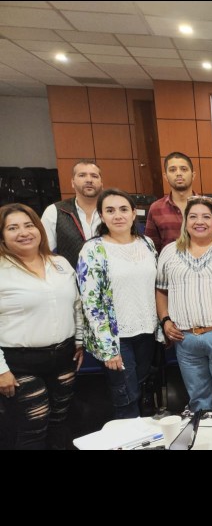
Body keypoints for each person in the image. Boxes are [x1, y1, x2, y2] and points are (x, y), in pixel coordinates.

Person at [0, 203, 84, 449]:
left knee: (60, 422)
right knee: (33, 428)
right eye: (13, 228)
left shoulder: (59, 264)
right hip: (19, 364)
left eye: (29, 225)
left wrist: (79, 341)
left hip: (63, 357)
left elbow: (77, 305)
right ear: (2, 236)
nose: (23, 232)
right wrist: (0, 370)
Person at [156, 196, 212, 412]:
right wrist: (165, 320)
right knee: (198, 399)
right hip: (185, 339)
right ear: (185, 221)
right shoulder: (169, 251)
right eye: (193, 217)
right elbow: (161, 290)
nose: (200, 222)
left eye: (206, 217)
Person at [76, 188, 160, 419]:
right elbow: (91, 303)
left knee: (140, 390)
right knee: (126, 398)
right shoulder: (92, 250)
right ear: (102, 216)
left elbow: (154, 287)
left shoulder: (146, 243)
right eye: (110, 210)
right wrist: (108, 348)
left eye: (123, 209)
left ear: (134, 214)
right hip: (116, 338)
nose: (118, 215)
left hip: (146, 332)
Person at [41, 159, 103, 268]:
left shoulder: (113, 212)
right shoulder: (54, 211)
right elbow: (46, 253)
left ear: (101, 183)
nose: (89, 180)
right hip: (69, 276)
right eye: (82, 175)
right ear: (72, 183)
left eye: (94, 176)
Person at [145, 151, 197, 253]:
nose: (178, 173)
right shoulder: (156, 208)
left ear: (193, 175)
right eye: (172, 170)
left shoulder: (208, 206)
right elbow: (151, 249)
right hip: (168, 262)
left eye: (184, 169)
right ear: (166, 176)